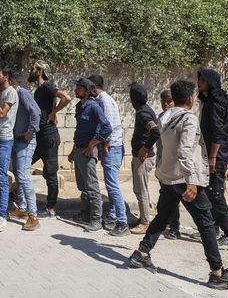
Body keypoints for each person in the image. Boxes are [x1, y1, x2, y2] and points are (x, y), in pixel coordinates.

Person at [128, 80, 228, 291]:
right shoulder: (188, 118)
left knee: (163, 216)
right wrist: (192, 181)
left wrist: (145, 148)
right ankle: (217, 273)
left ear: (174, 98)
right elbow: (184, 151)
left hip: (168, 177)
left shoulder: (165, 116)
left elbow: (157, 137)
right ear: (190, 99)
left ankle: (142, 253)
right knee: (206, 223)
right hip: (184, 179)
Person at [197, 69, 228, 251]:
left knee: (216, 193)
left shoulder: (216, 102)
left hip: (216, 157)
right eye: (199, 79)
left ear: (211, 82)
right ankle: (213, 228)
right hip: (211, 154)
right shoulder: (213, 100)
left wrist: (213, 157)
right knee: (209, 192)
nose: (199, 82)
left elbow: (218, 132)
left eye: (203, 80)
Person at [68, 78, 111, 233]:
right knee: (83, 186)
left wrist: (93, 143)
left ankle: (96, 219)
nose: (76, 90)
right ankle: (85, 213)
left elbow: (107, 128)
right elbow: (79, 130)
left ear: (87, 91)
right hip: (79, 149)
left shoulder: (94, 107)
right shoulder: (80, 106)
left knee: (92, 186)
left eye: (79, 88)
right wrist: (73, 150)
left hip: (88, 151)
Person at [29, 62, 71, 218]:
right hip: (40, 136)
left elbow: (66, 98)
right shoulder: (39, 89)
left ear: (40, 71)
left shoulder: (47, 86)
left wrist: (54, 112)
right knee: (23, 163)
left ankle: (50, 208)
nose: (30, 70)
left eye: (33, 68)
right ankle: (19, 197)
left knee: (51, 173)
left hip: (49, 136)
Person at [88, 75, 128, 236]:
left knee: (112, 185)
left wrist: (104, 144)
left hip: (112, 147)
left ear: (93, 87)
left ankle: (122, 222)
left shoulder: (105, 101)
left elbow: (108, 126)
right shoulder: (101, 100)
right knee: (111, 184)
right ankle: (112, 216)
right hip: (110, 146)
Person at [0, 65, 18, 232]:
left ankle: (2, 216)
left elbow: (1, 114)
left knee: (1, 176)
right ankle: (3, 208)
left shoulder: (10, 93)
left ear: (6, 77)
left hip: (5, 139)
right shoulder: (0, 91)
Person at [10, 73, 41, 231]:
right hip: (17, 139)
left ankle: (33, 216)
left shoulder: (22, 93)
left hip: (25, 141)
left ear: (10, 81)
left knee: (23, 176)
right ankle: (22, 208)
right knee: (18, 175)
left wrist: (31, 131)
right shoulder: (13, 95)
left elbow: (36, 112)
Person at [129, 83, 160, 235]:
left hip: (142, 158)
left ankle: (145, 222)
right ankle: (143, 217)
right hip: (140, 156)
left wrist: (145, 148)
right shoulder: (144, 110)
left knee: (141, 191)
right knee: (140, 189)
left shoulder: (143, 113)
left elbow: (155, 132)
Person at [156, 90, 181, 240]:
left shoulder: (180, 118)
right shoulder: (161, 117)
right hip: (162, 163)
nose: (165, 104)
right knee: (166, 195)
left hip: (175, 165)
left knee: (174, 197)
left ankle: (175, 228)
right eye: (163, 101)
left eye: (169, 101)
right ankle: (165, 224)